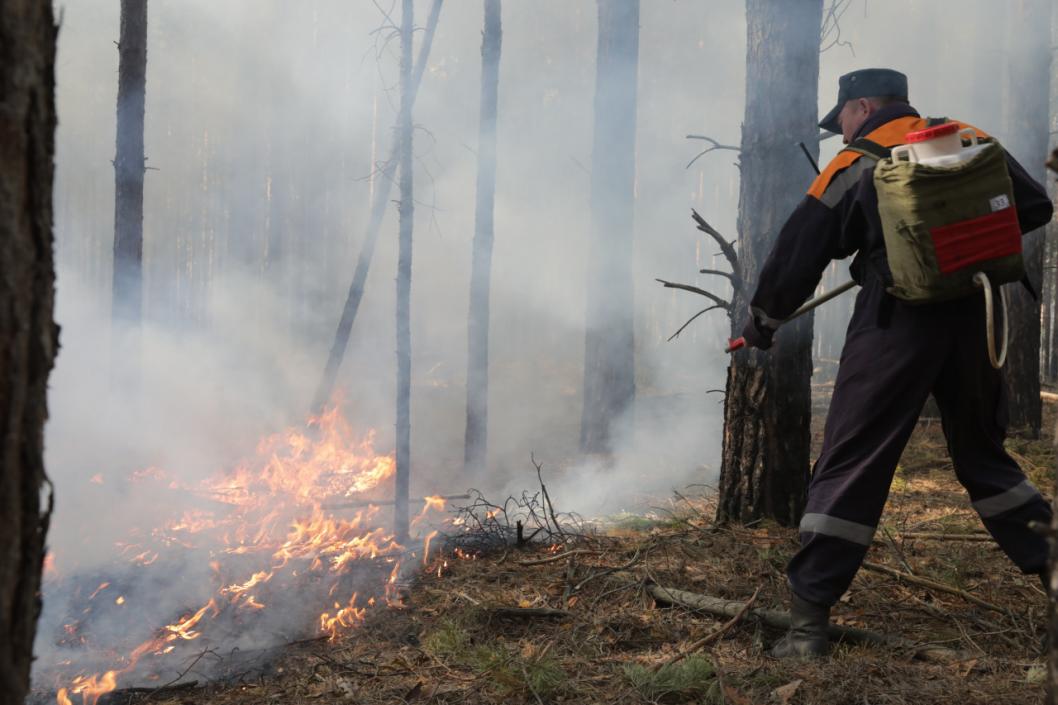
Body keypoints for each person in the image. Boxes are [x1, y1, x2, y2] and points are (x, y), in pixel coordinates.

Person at [739, 68, 1055, 658]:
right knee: (985, 459)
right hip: (974, 313)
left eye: (843, 119)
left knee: (853, 459)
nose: (840, 132)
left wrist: (762, 321)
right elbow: (1035, 205)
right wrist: (961, 242)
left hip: (896, 320)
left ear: (864, 106)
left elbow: (801, 247)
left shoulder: (856, 161)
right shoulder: (965, 137)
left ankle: (807, 628)